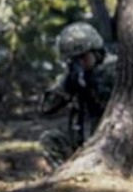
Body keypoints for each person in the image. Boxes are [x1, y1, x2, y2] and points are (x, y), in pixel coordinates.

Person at [38, 21, 116, 167]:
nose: (79, 62)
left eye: (82, 57)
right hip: (81, 140)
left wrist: (91, 84)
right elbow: (46, 107)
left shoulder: (113, 69)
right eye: (73, 60)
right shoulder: (74, 74)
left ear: (95, 51)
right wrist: (68, 82)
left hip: (107, 139)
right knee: (50, 139)